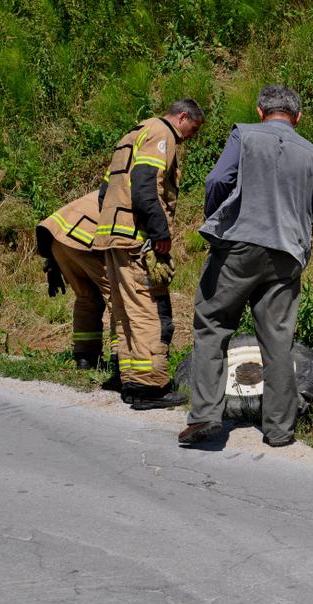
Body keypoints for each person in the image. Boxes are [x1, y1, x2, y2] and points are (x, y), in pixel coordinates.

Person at [178, 85, 313, 446]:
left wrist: (216, 219)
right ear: (298, 118)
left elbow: (217, 180)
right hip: (286, 255)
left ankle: (205, 417)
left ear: (260, 111)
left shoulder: (244, 135)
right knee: (277, 342)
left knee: (213, 325)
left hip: (238, 246)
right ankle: (278, 430)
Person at [93, 99, 205, 410]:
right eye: (192, 129)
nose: (190, 137)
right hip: (135, 239)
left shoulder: (133, 134)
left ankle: (131, 381)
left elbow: (105, 192)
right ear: (182, 117)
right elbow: (145, 186)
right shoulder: (162, 134)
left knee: (126, 311)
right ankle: (149, 387)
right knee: (148, 310)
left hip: (113, 237)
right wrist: (160, 233)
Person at [35, 191, 118, 382]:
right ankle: (119, 359)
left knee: (86, 297)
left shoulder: (117, 183)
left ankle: (85, 358)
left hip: (58, 237)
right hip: (83, 238)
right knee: (117, 297)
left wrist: (53, 261)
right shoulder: (137, 191)